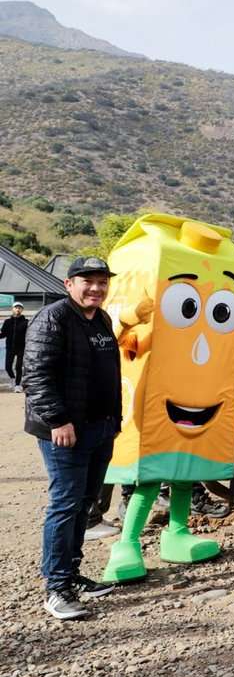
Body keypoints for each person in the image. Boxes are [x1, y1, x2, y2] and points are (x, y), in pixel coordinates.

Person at [25, 256, 121, 619]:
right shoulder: (52, 318)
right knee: (65, 504)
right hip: (65, 431)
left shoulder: (102, 319)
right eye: (88, 281)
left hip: (101, 427)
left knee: (85, 503)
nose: (96, 288)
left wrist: (114, 421)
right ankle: (56, 586)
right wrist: (59, 420)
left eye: (102, 282)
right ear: (69, 284)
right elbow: (34, 376)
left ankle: (73, 572)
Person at [2, 302, 28, 390]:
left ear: (22, 310)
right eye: (16, 307)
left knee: (18, 367)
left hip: (22, 348)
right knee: (8, 367)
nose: (18, 309)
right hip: (10, 347)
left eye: (20, 308)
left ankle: (17, 385)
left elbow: (29, 335)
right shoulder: (7, 322)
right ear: (12, 309)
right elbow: (3, 334)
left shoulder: (26, 322)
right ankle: (13, 379)